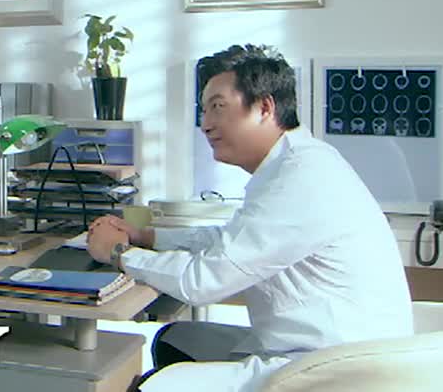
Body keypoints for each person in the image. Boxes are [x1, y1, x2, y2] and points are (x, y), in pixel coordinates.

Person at [85, 45, 413, 392]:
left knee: (150, 385)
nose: (205, 124)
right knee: (175, 340)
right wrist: (146, 237)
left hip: (336, 371)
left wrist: (119, 252)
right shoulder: (296, 162)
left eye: (218, 107)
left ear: (264, 108)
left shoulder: (302, 177)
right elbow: (230, 241)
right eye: (203, 110)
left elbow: (202, 282)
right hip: (330, 348)